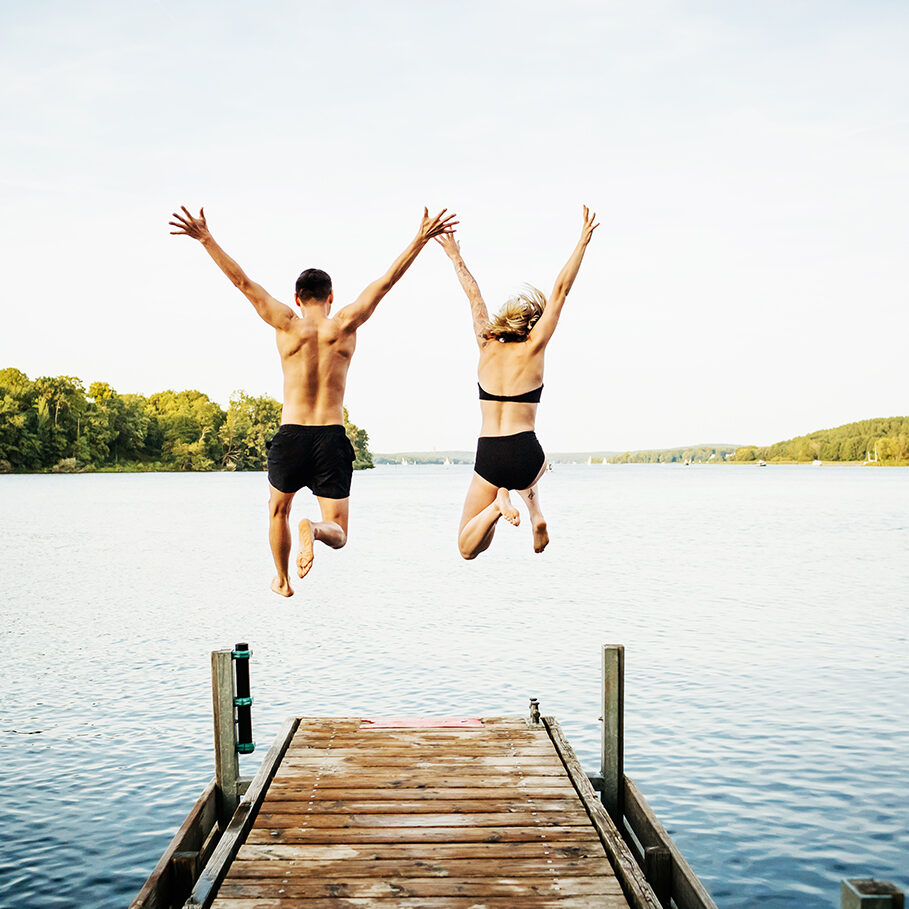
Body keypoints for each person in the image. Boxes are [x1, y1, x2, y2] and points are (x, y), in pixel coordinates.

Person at [169, 205, 457, 596]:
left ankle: (283, 580)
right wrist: (420, 239)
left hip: (291, 435)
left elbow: (242, 282)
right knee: (338, 532)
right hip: (330, 437)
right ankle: (315, 530)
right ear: (331, 297)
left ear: (297, 297)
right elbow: (386, 283)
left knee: (278, 511)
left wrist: (206, 239)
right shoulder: (345, 323)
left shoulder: (285, 322)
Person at [436, 206, 598, 559]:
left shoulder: (485, 344)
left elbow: (473, 295)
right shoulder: (534, 347)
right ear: (530, 326)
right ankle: (535, 511)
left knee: (468, 547)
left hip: (490, 453)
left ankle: (497, 507)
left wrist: (454, 255)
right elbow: (560, 291)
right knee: (535, 467)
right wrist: (582, 242)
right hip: (527, 452)